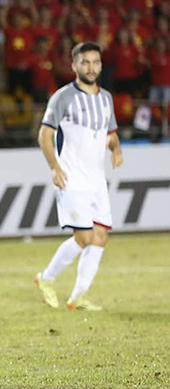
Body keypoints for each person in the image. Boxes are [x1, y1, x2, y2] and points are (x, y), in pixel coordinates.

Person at [35, 42, 123, 311]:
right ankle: (46, 278)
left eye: (95, 62)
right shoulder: (63, 97)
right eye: (85, 62)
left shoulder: (106, 98)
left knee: (100, 238)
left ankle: (77, 297)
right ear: (73, 66)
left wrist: (116, 150)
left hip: (97, 180)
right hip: (71, 178)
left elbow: (111, 135)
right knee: (84, 238)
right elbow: (44, 135)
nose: (91, 67)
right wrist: (54, 167)